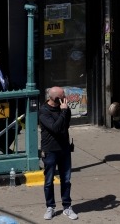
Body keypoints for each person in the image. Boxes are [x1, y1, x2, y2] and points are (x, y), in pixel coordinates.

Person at [39, 86, 78, 220]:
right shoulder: (44, 111)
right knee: (49, 181)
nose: (65, 97)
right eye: (63, 95)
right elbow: (55, 128)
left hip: (64, 149)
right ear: (56, 98)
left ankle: (67, 206)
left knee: (66, 180)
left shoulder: (65, 108)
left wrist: (65, 112)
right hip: (50, 150)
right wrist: (63, 112)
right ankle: (50, 206)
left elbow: (65, 125)